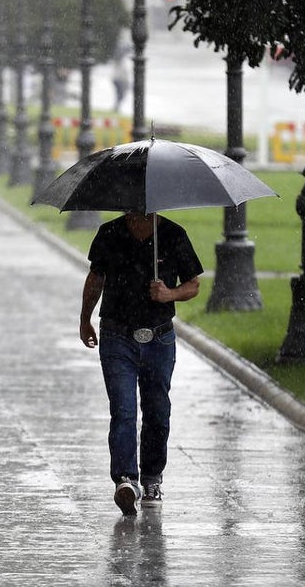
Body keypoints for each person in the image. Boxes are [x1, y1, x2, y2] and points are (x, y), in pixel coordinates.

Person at [78, 211, 203, 516]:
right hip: (116, 335)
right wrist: (85, 318)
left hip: (159, 338)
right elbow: (96, 277)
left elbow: (193, 284)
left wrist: (168, 294)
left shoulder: (173, 235)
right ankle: (125, 479)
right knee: (123, 409)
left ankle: (151, 478)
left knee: (157, 411)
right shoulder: (110, 233)